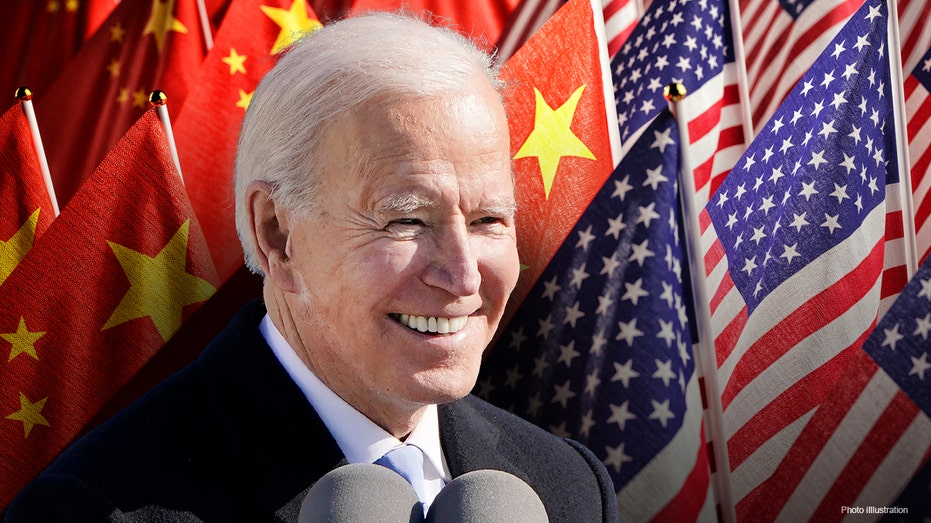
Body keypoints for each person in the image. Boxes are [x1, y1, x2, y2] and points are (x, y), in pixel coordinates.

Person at [6, 12, 619, 522]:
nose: (462, 276)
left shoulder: (566, 488)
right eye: (406, 221)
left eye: (489, 220)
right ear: (278, 234)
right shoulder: (98, 508)